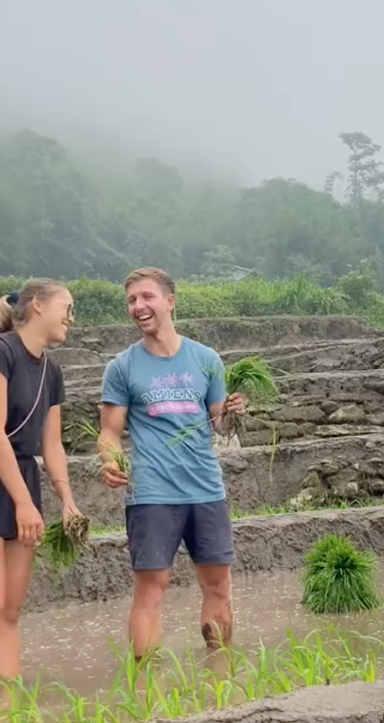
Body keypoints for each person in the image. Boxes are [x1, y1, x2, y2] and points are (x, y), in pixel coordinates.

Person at [99, 267, 245, 657]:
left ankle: (220, 673)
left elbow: (219, 424)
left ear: (170, 301)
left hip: (205, 488)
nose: (138, 306)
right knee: (151, 588)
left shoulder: (206, 358)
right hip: (151, 492)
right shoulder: (122, 367)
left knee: (218, 584)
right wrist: (111, 462)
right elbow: (109, 433)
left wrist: (233, 411)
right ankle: (144, 685)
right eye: (131, 300)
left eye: (146, 296)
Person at [0, 279, 81, 677]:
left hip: (23, 478)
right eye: (67, 307)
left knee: (10, 608)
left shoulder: (52, 371)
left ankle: (9, 700)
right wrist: (23, 502)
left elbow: (51, 445)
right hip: (10, 481)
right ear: (37, 305)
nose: (71, 317)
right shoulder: (3, 352)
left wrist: (67, 502)